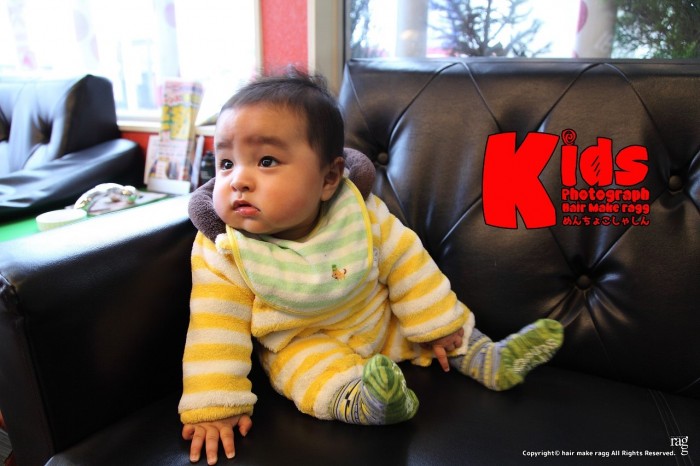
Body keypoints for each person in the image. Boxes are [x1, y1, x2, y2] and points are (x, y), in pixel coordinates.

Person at [179, 69, 564, 465]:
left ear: (329, 178)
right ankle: (368, 400)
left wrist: (439, 322)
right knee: (305, 373)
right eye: (226, 163)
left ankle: (491, 359)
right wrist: (216, 405)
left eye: (266, 160)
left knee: (441, 333)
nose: (238, 180)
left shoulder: (358, 214)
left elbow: (407, 262)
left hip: (376, 318)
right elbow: (214, 326)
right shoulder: (225, 248)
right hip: (302, 340)